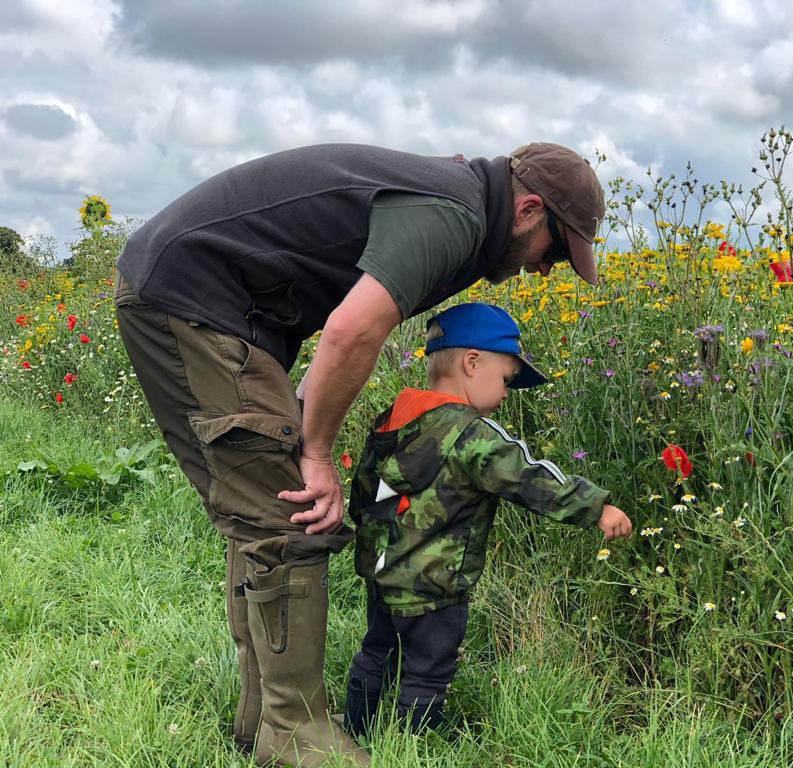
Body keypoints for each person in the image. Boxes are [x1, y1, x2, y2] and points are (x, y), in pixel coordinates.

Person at [112, 142, 605, 767]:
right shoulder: (453, 215)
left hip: (211, 301)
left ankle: (264, 722)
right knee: (287, 514)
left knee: (265, 507)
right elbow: (352, 330)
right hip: (193, 297)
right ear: (529, 209)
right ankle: (295, 735)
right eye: (556, 251)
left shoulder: (455, 204)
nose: (546, 271)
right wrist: (317, 452)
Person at [342, 302, 633, 737]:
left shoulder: (394, 420)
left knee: (376, 654)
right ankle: (415, 746)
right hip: (437, 586)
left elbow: (362, 495)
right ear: (472, 363)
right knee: (427, 672)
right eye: (505, 380)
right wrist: (594, 507)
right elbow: (528, 476)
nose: (505, 395)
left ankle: (355, 732)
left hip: (382, 576)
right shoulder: (474, 434)